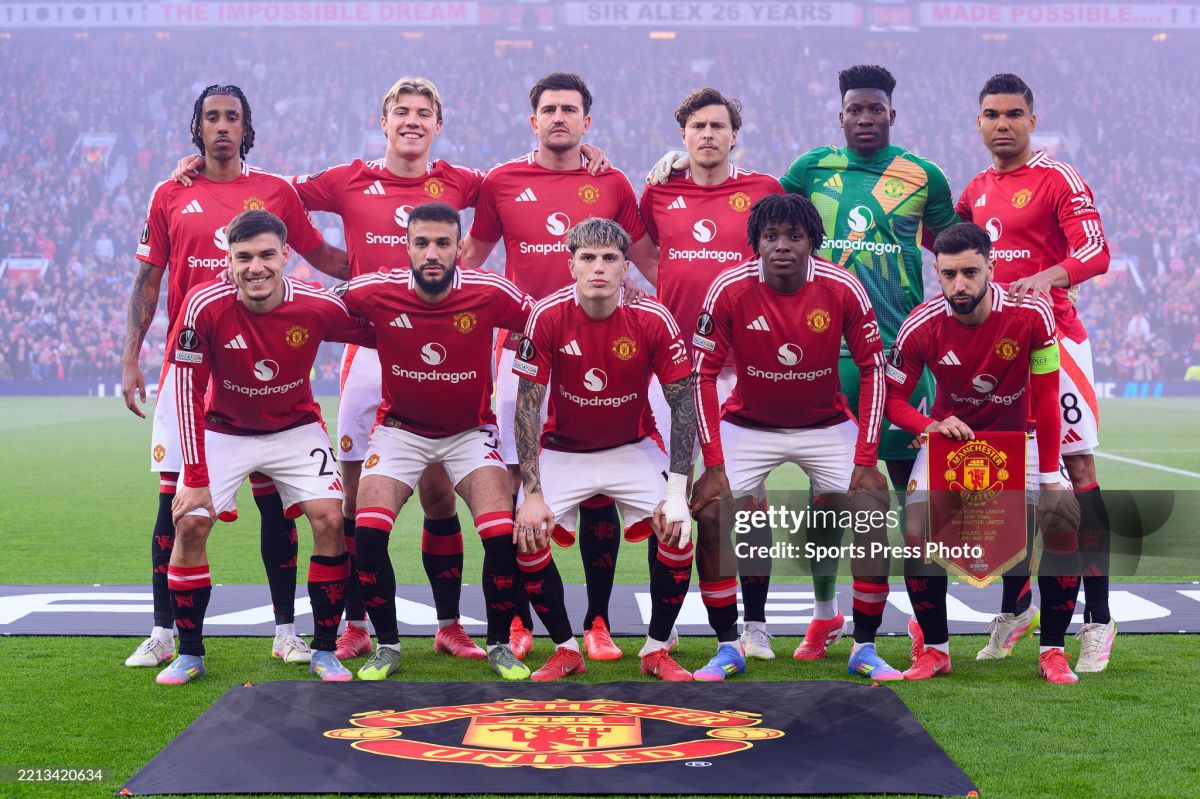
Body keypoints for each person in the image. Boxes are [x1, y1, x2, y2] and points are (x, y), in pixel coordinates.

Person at [651, 66, 960, 658]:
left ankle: (928, 626)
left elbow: (952, 250)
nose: (865, 118)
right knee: (821, 504)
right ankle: (823, 613)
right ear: (840, 115)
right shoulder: (809, 169)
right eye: (855, 109)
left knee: (908, 496)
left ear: (891, 114)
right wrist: (683, 161)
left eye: (875, 109)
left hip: (898, 350)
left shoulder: (925, 175)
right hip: (821, 357)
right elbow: (761, 203)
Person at [121, 84, 349, 669]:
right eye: (212, 117)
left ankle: (286, 631)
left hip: (264, 372)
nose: (222, 126)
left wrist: (406, 277)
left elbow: (324, 257)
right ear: (197, 127)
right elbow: (149, 279)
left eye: (233, 118)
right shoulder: (170, 191)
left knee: (279, 507)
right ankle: (165, 631)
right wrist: (131, 357)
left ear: (247, 129)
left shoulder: (275, 191)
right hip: (191, 370)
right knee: (176, 504)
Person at [461, 72, 658, 661]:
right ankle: (516, 620)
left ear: (586, 122)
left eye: (570, 110)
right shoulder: (501, 181)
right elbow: (471, 260)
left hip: (599, 357)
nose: (559, 118)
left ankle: (598, 621)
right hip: (521, 354)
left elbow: (647, 260)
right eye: (549, 109)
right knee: (514, 487)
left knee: (598, 490)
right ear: (533, 120)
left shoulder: (611, 180)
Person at [157, 209, 372, 685]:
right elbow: (186, 394)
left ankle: (324, 651)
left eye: (266, 255)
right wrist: (194, 478)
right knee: (190, 522)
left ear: (286, 255)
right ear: (228, 260)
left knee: (330, 519)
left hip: (295, 427)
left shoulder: (316, 304)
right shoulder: (203, 305)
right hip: (225, 430)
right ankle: (189, 654)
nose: (256, 267)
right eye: (244, 257)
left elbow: (377, 330)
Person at [688, 194, 892, 682]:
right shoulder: (729, 288)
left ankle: (865, 647)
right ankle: (728, 646)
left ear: (812, 242)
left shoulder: (842, 287)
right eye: (771, 236)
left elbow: (873, 368)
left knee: (871, 507)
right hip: (748, 426)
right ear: (756, 243)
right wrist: (713, 464)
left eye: (794, 236)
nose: (782, 246)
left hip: (825, 425)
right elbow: (701, 375)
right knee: (711, 513)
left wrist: (866, 459)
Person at [956, 74, 1115, 672]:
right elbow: (945, 242)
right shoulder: (975, 189)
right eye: (992, 114)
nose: (1003, 124)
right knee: (1009, 482)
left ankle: (1098, 620)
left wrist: (1047, 277)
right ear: (979, 123)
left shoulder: (1058, 178)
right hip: (999, 352)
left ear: (1032, 119)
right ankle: (1016, 608)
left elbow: (1096, 251)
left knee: (1077, 472)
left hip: (1058, 343)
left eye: (1014, 114)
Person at [338, 202, 535, 682]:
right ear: (406, 247)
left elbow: (548, 318)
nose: (432, 253)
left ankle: (498, 645)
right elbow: (317, 306)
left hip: (470, 433)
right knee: (367, 533)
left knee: (500, 534)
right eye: (422, 243)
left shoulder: (490, 292)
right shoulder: (375, 289)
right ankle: (387, 646)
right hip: (400, 430)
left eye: (443, 243)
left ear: (458, 249)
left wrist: (619, 296)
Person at [884, 222, 1082, 685]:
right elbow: (893, 401)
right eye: (949, 274)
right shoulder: (921, 324)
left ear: (991, 268)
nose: (960, 284)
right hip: (954, 442)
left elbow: (1047, 398)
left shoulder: (1031, 313)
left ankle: (1053, 651)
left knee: (1064, 522)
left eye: (970, 272)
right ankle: (935, 650)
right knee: (916, 529)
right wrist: (929, 425)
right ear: (937, 272)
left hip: (1022, 438)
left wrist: (1051, 479)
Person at [513, 218, 697, 681]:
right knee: (527, 532)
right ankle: (565, 649)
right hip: (564, 450)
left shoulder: (653, 318)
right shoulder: (547, 315)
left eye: (610, 258)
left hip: (631, 447)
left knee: (678, 527)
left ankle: (656, 649)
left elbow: (683, 405)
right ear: (571, 265)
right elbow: (528, 409)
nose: (599, 267)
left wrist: (677, 492)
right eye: (588, 258)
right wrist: (532, 492)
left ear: (625, 268)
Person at [639, 88, 785, 659]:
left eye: (717, 126)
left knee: (747, 499)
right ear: (683, 136)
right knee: (668, 494)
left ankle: (755, 624)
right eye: (697, 126)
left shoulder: (764, 191)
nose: (707, 134)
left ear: (733, 136)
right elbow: (643, 253)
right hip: (673, 368)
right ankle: (666, 622)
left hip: (742, 368)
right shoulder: (659, 191)